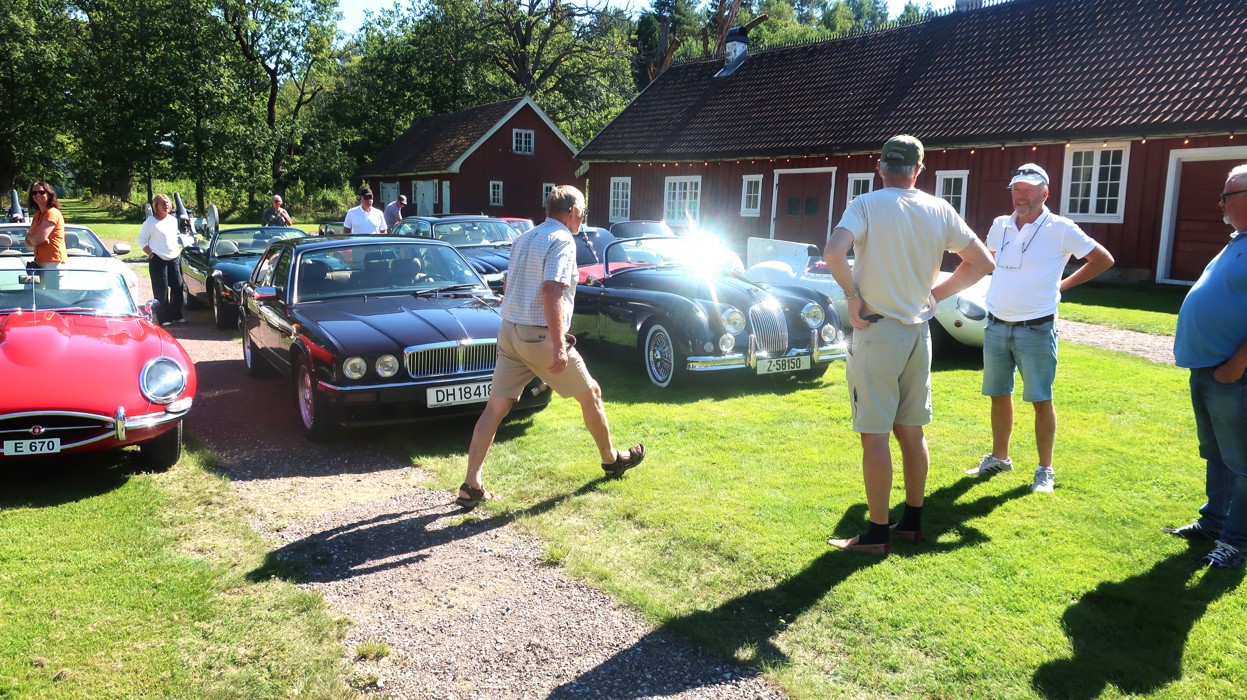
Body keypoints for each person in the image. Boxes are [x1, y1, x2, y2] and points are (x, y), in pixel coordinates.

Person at [823, 135, 994, 555]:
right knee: (912, 431)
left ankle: (877, 534)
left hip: (877, 331)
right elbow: (984, 262)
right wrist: (937, 295)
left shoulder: (865, 204)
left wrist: (852, 296)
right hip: (920, 333)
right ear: (918, 170)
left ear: (880, 167)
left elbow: (833, 252)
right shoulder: (940, 209)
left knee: (874, 435)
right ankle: (912, 522)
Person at [455, 185, 646, 508]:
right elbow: (551, 290)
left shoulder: (524, 237)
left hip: (509, 331)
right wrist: (558, 345)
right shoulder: (562, 240)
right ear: (572, 211)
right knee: (591, 393)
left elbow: (509, 283)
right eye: (583, 210)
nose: (584, 216)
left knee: (495, 408)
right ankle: (612, 460)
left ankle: (471, 484)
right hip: (539, 337)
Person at [967, 163, 1115, 493]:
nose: (1020, 196)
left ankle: (1045, 469)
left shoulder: (1061, 228)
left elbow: (1102, 259)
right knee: (998, 395)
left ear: (1045, 193)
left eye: (1028, 190)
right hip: (996, 324)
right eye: (1016, 190)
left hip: (1036, 328)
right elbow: (989, 260)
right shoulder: (1000, 224)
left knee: (1041, 399)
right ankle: (1000, 457)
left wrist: (1063, 285)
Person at [1162, 164, 1247, 569]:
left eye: (1227, 195)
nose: (1221, 203)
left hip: (1234, 373)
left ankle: (1236, 541)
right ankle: (1214, 523)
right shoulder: (1236, 242)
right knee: (1217, 453)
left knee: (1242, 461)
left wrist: (1237, 364)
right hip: (1209, 369)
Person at [137, 194, 185, 326]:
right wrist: (150, 254)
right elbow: (141, 240)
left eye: (167, 202)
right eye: (162, 203)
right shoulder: (150, 222)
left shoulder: (173, 220)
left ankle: (176, 314)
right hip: (158, 259)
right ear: (156, 206)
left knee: (178, 286)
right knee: (161, 290)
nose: (166, 205)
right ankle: (164, 318)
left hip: (173, 258)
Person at [24, 182, 66, 269]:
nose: (37, 195)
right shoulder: (37, 215)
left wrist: (33, 239)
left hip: (54, 263)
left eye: (41, 192)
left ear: (49, 194)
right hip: (39, 262)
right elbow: (28, 242)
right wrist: (33, 239)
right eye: (34, 192)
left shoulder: (52, 212)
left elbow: (39, 238)